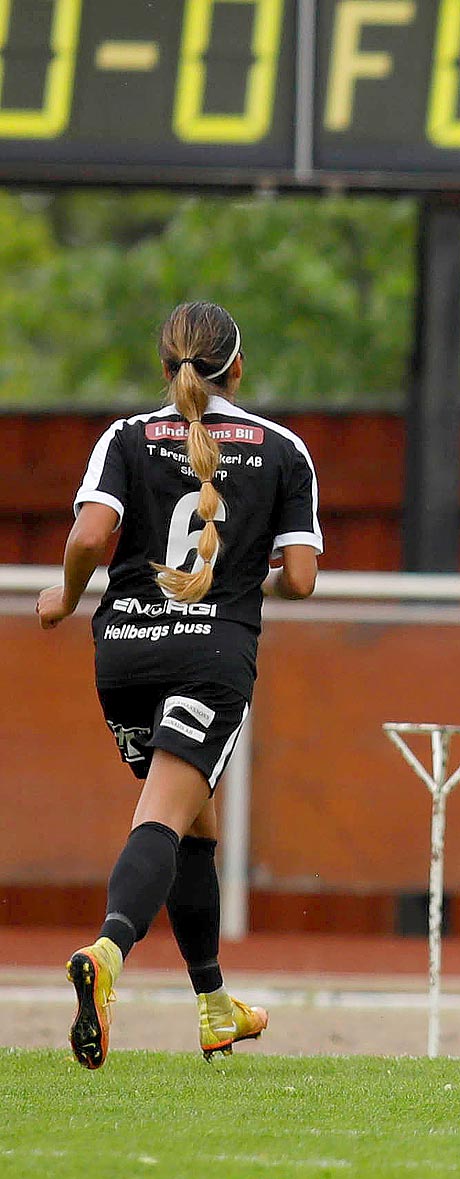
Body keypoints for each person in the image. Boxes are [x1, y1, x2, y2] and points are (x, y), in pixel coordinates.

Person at [38, 300, 323, 1069]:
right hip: (209, 658)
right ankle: (108, 950)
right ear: (238, 367)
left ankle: (214, 1004)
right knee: (165, 815)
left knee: (191, 822)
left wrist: (64, 597)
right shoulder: (283, 448)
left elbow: (92, 536)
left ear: (165, 368)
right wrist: (244, 575)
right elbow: (301, 577)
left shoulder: (124, 438)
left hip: (123, 653)